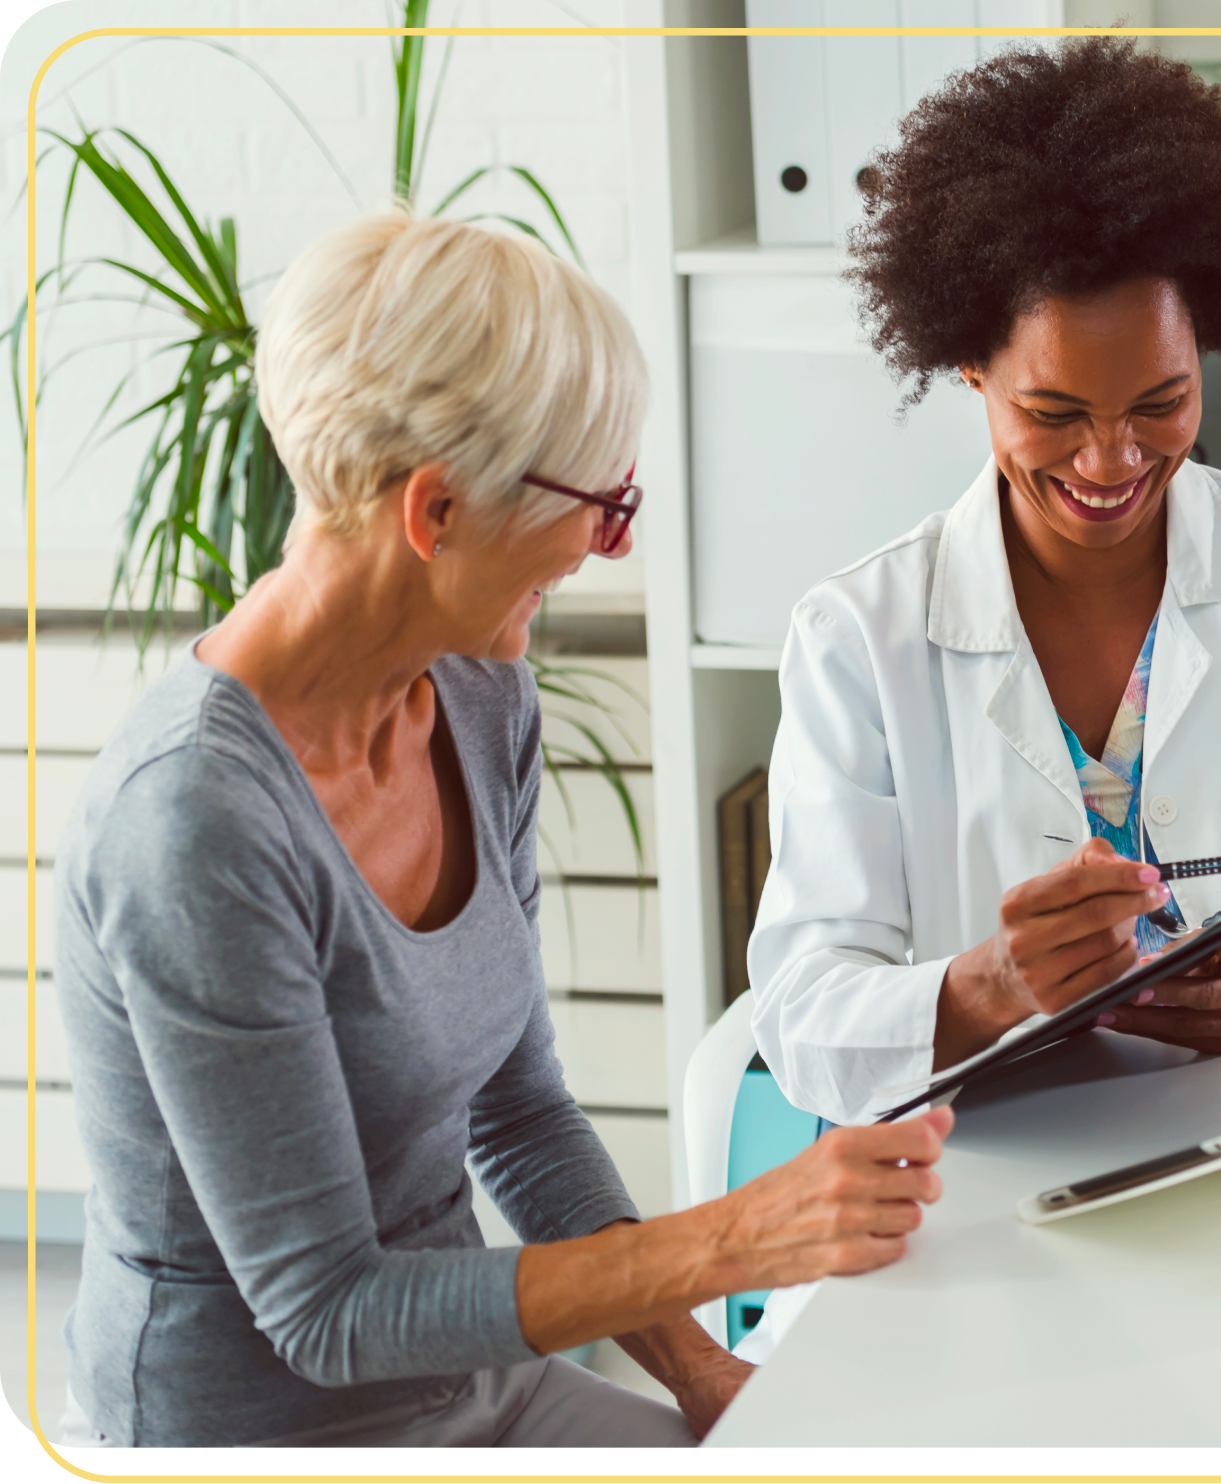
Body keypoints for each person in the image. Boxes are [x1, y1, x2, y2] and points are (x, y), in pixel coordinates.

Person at [51, 213, 952, 1449]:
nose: (605, 546)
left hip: (469, 1377)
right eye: (604, 505)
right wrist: (730, 1239)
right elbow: (326, 1310)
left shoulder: (476, 694)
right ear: (436, 511)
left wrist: (696, 1371)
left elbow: (519, 1112)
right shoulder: (194, 820)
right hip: (253, 1431)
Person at [748, 37, 1221, 1141]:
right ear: (970, 367)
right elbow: (802, 1014)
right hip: (984, 1182)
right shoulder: (858, 637)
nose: (1109, 460)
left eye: (1159, 402)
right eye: (1054, 414)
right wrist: (989, 986)